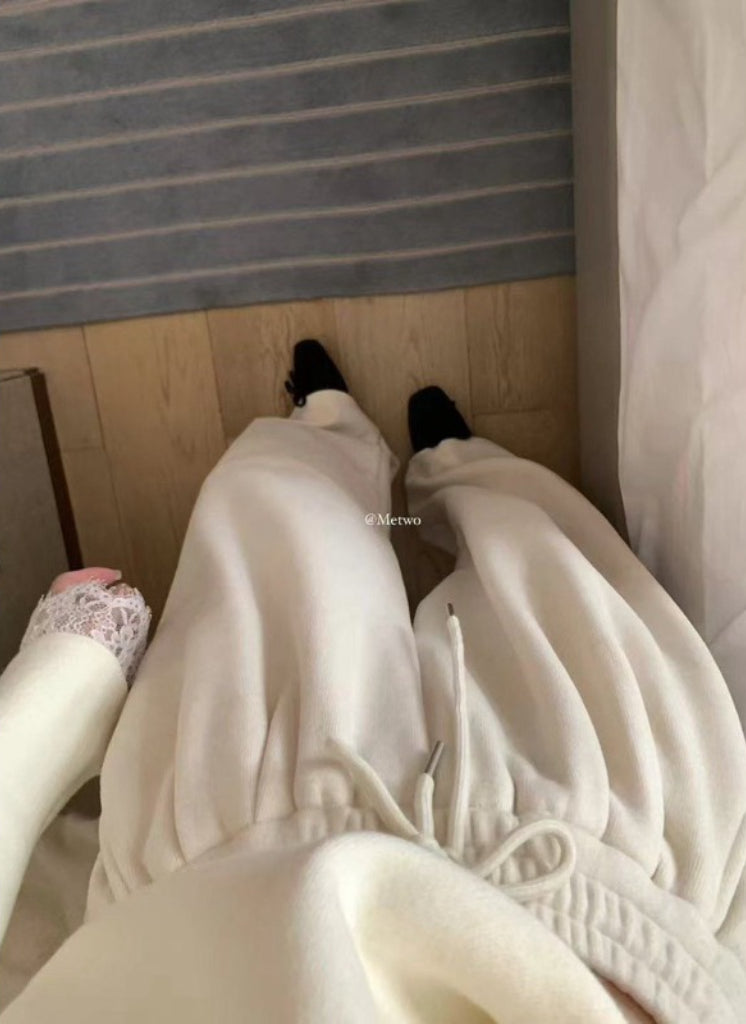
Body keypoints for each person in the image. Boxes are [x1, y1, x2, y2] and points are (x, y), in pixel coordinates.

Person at [1, 340, 745, 1023]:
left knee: (284, 554)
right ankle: (460, 465)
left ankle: (326, 433)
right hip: (593, 894)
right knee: (555, 594)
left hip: (241, 892)